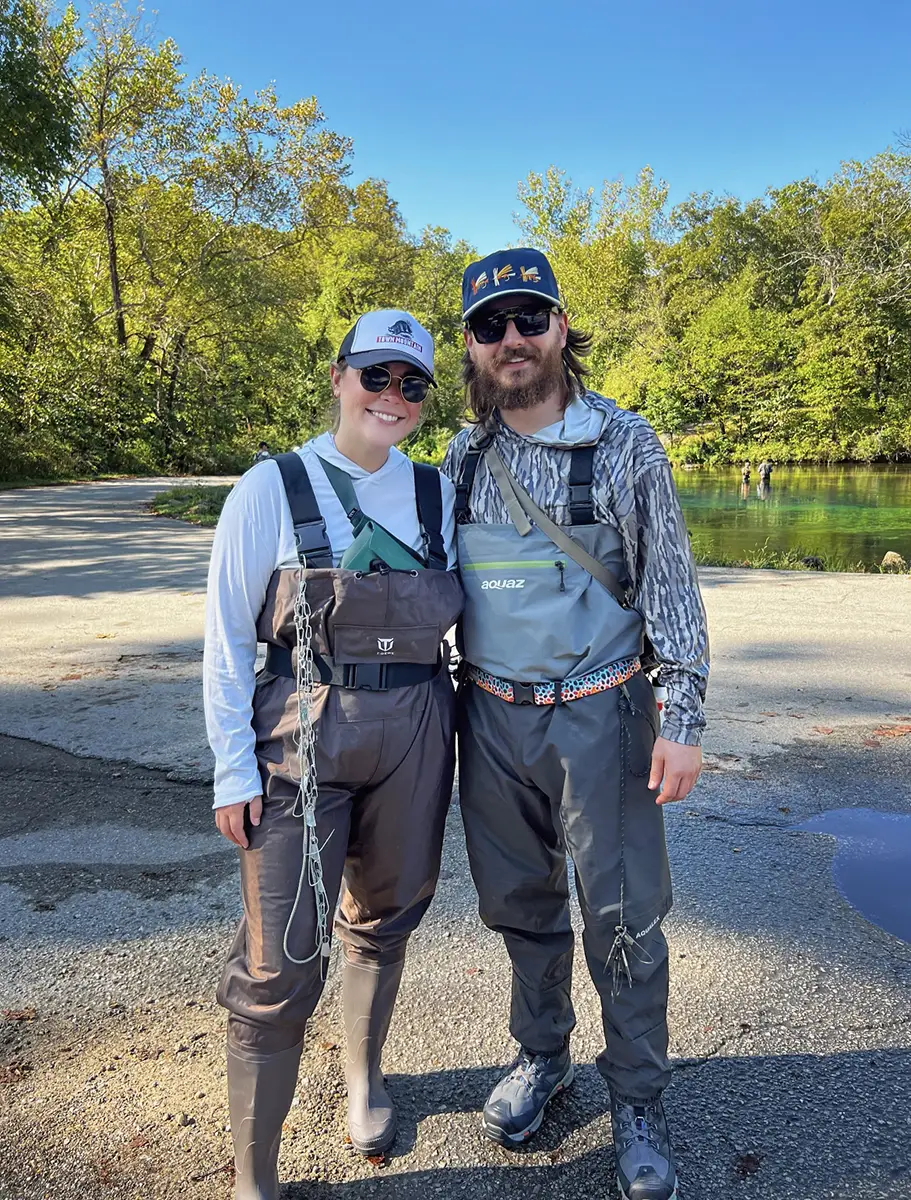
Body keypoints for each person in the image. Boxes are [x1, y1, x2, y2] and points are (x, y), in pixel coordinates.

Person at [443, 249, 708, 1200]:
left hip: (602, 717)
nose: (510, 340)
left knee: (624, 918)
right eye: (489, 326)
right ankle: (541, 1056)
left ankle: (636, 1096)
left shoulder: (625, 444)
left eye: (527, 319)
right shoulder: (462, 456)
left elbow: (672, 588)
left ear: (560, 330)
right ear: (471, 347)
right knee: (518, 906)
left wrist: (681, 716)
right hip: (491, 718)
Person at [204, 309, 463, 1200]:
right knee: (278, 964)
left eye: (411, 384)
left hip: (419, 732)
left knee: (385, 918)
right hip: (295, 739)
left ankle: (364, 1081)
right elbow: (227, 642)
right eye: (376, 376)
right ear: (338, 375)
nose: (390, 398)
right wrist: (232, 768)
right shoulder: (267, 487)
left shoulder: (437, 495)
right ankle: (255, 1175)